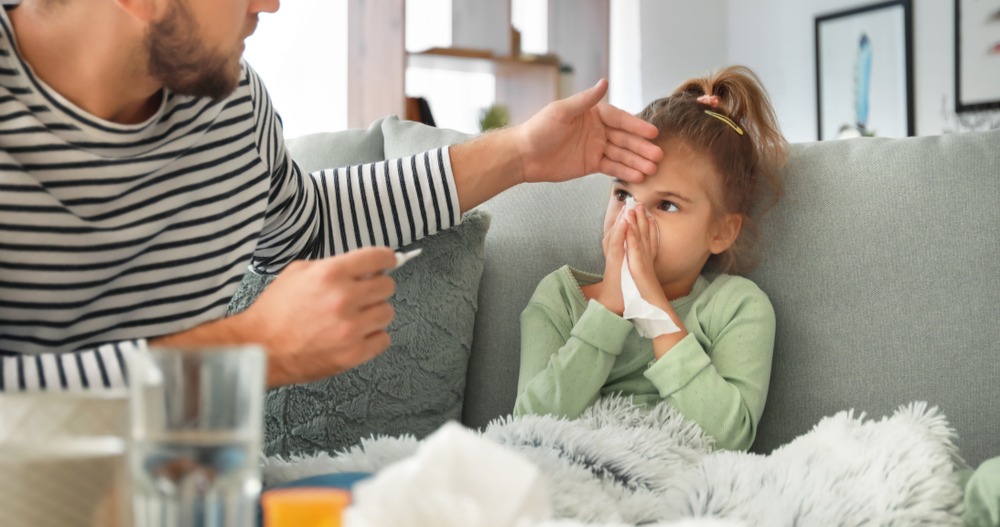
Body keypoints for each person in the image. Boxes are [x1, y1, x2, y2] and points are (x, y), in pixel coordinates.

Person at [0, 0, 663, 391]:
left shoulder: (229, 108)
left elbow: (309, 224)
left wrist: (520, 153)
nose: (271, 3)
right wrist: (242, 353)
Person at [513, 65, 788, 452]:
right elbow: (525, 427)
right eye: (623, 194)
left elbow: (730, 439)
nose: (631, 218)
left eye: (667, 205)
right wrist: (609, 306)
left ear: (722, 232)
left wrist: (655, 313)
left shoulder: (737, 307)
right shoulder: (561, 297)